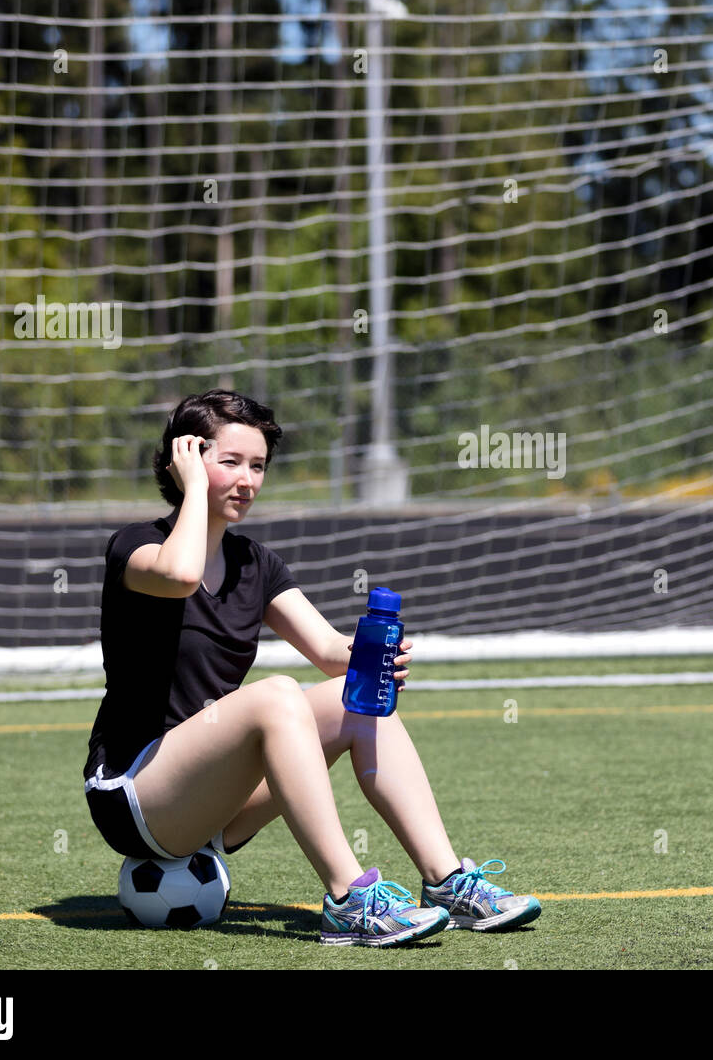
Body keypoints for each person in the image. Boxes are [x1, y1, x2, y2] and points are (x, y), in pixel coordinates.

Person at [82, 389, 541, 946]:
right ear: (185, 459)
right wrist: (196, 490)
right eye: (229, 462)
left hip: (213, 806)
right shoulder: (135, 547)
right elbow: (180, 575)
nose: (248, 481)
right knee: (276, 694)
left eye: (258, 466)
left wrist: (376, 657)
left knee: (359, 693)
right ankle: (349, 899)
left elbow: (328, 652)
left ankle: (446, 881)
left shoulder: (255, 562)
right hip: (135, 794)